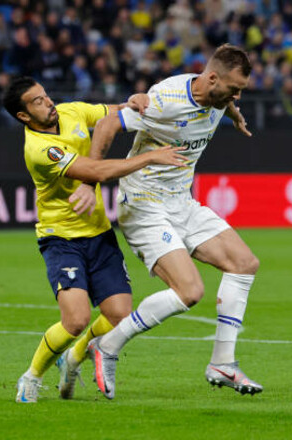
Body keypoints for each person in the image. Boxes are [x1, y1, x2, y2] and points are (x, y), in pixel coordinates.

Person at [86, 44, 263, 399]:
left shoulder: (216, 96)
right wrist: (89, 179)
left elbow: (222, 100)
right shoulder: (164, 100)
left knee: (244, 264)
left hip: (181, 201)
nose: (238, 95)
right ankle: (107, 346)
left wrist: (233, 112)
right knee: (190, 291)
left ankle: (222, 364)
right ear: (212, 78)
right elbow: (108, 124)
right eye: (234, 89)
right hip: (143, 204)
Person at [2, 76, 186, 403]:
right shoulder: (40, 150)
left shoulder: (70, 111)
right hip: (61, 238)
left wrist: (134, 99)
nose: (49, 103)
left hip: (99, 233)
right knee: (75, 319)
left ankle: (73, 357)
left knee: (119, 314)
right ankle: (31, 377)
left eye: (46, 96)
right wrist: (148, 157)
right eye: (38, 102)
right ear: (23, 116)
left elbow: (112, 115)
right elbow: (96, 172)